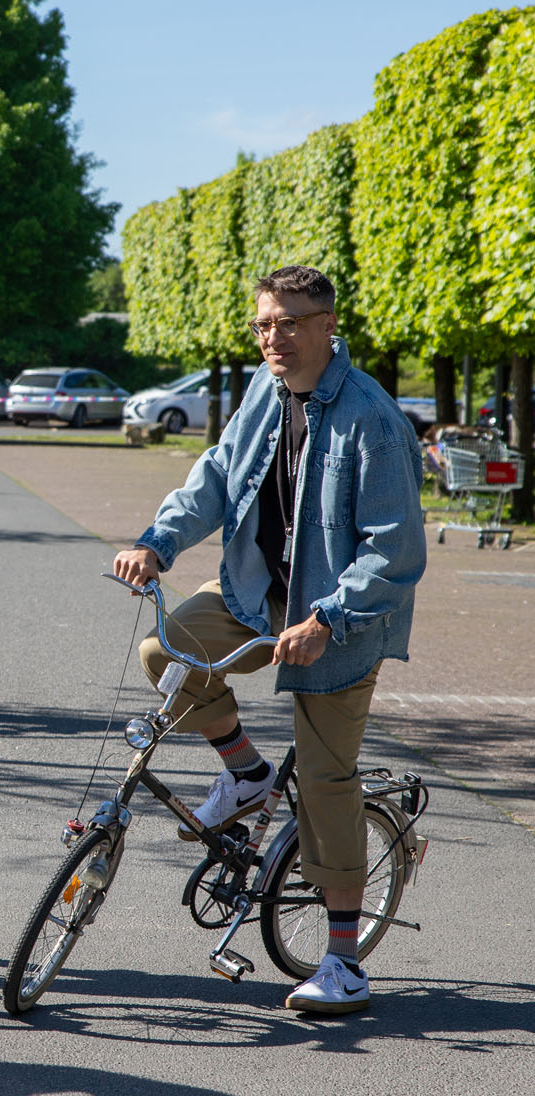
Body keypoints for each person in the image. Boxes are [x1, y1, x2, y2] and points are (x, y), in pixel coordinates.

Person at [112, 265, 426, 1015]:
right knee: (169, 652)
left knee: (324, 782)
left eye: (289, 322)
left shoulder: (372, 419)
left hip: (339, 622)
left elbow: (395, 551)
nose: (273, 337)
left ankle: (344, 962)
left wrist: (328, 620)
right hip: (259, 596)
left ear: (327, 325)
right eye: (262, 324)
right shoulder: (263, 389)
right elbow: (217, 477)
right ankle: (246, 773)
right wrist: (158, 541)